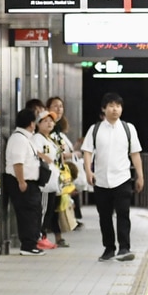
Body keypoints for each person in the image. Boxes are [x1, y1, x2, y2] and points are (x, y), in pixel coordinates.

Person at [81, 92, 144, 262]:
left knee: (123, 213)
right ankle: (109, 247)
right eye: (111, 106)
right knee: (105, 216)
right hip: (101, 180)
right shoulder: (95, 129)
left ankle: (124, 248)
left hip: (122, 178)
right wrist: (88, 171)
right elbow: (87, 152)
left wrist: (140, 176)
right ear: (104, 108)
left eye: (118, 106)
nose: (115, 109)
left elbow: (135, 154)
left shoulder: (128, 128)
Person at [5, 107, 47, 255]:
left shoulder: (25, 138)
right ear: (31, 123)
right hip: (22, 182)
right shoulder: (18, 139)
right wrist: (21, 182)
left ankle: (32, 243)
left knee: (34, 212)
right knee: (27, 214)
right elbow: (18, 162)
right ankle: (28, 245)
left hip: (30, 183)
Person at [46, 96, 84, 227]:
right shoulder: (49, 129)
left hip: (61, 171)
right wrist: (73, 154)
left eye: (61, 106)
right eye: (55, 106)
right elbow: (55, 152)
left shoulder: (59, 130)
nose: (59, 109)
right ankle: (51, 230)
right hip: (52, 171)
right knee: (54, 203)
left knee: (60, 201)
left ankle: (60, 229)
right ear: (47, 109)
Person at [34, 109, 64, 249]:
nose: (49, 123)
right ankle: (39, 237)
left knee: (49, 210)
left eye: (51, 121)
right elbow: (36, 152)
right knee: (43, 210)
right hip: (44, 182)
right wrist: (45, 158)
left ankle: (43, 235)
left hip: (52, 181)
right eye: (45, 121)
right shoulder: (37, 138)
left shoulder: (50, 138)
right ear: (38, 124)